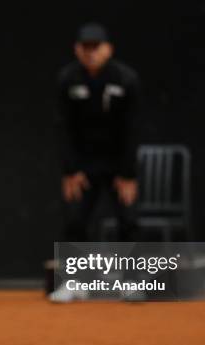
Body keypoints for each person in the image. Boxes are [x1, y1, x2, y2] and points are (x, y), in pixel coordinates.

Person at [57, 22, 142, 242]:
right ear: (77, 49)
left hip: (118, 163)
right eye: (86, 47)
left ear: (108, 49)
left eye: (96, 46)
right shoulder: (68, 79)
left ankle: (131, 276)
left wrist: (128, 174)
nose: (91, 52)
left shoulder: (126, 79)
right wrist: (70, 170)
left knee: (129, 221)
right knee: (74, 221)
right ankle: (78, 275)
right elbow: (66, 127)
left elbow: (131, 128)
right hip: (84, 164)